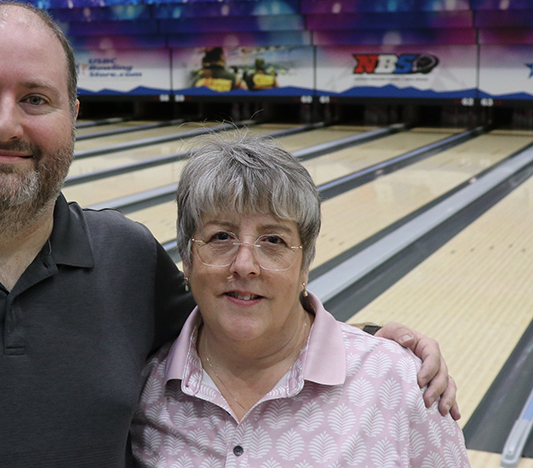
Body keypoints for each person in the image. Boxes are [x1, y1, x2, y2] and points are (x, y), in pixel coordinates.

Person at [0, 1, 455, 468]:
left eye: (34, 99)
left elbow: (234, 323)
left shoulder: (125, 259)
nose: (6, 123)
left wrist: (371, 348)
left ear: (72, 115)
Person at [131, 133, 469, 467]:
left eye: (274, 240)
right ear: (187, 260)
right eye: (221, 236)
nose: (245, 265)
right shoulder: (141, 390)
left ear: (304, 264)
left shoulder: (400, 383)